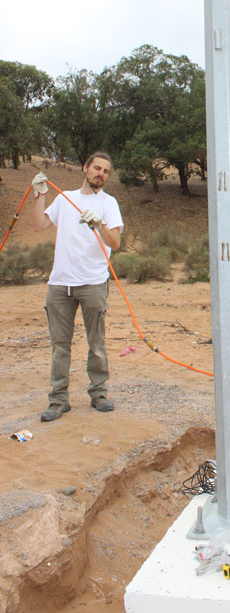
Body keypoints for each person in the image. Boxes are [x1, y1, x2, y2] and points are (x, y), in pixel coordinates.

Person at [32, 152, 124, 422]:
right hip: (60, 283)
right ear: (85, 168)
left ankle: (99, 394)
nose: (101, 174)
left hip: (93, 283)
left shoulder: (109, 203)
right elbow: (38, 225)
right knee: (60, 345)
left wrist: (99, 224)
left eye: (106, 171)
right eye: (97, 168)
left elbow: (115, 243)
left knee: (96, 343)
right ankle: (58, 400)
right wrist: (41, 196)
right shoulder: (64, 198)